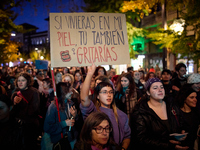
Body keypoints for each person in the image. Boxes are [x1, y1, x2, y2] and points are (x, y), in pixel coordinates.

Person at [80, 63, 131, 149]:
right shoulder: (93, 112)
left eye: (111, 92)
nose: (108, 95)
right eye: (104, 92)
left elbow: (127, 136)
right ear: (97, 96)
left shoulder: (122, 115)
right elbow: (84, 99)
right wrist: (89, 73)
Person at [130, 77, 189, 150]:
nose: (160, 90)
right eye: (155, 88)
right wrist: (168, 145)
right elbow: (141, 139)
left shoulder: (171, 105)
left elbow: (182, 122)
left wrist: (183, 131)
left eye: (161, 87)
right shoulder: (141, 111)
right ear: (148, 92)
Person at [44, 82, 82, 150]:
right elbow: (47, 127)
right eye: (69, 91)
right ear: (63, 92)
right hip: (59, 140)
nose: (72, 93)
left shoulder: (70, 103)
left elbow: (76, 122)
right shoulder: (53, 107)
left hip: (71, 138)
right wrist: (64, 123)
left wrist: (75, 115)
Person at [10, 72, 40, 150]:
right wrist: (15, 104)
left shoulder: (34, 92)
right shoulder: (16, 92)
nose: (20, 82)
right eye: (19, 80)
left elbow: (32, 110)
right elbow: (12, 113)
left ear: (28, 81)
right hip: (17, 126)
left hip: (29, 126)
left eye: (23, 80)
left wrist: (21, 102)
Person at [175, 85, 200, 149]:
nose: (195, 100)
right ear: (184, 99)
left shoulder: (196, 113)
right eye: (192, 97)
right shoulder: (176, 113)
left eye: (195, 97)